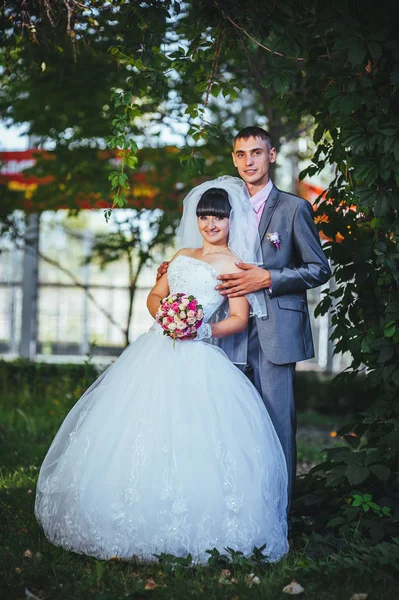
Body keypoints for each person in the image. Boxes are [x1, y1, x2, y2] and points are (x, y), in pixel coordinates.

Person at [35, 178, 289, 564]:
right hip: (156, 346)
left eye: (218, 218)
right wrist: (166, 320)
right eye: (205, 217)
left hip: (199, 352)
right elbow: (156, 296)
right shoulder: (182, 255)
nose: (210, 225)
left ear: (231, 220)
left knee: (193, 433)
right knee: (136, 427)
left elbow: (238, 319)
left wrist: (198, 328)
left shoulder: (237, 263)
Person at [158, 127, 332, 506]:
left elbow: (319, 270)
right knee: (229, 423)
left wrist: (268, 276)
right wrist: (176, 271)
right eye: (241, 154)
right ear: (234, 159)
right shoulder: (224, 205)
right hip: (225, 329)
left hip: (275, 330)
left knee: (275, 423)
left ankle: (280, 515)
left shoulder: (292, 208)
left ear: (271, 155)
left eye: (256, 152)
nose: (248, 161)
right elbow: (206, 250)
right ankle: (236, 506)